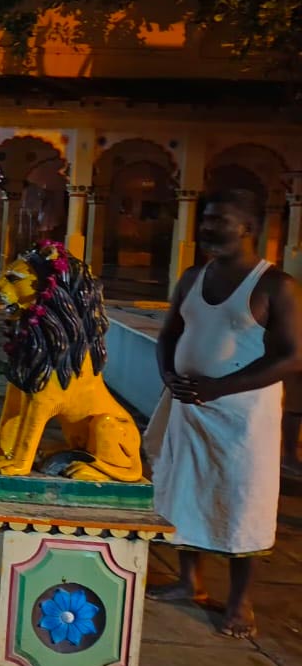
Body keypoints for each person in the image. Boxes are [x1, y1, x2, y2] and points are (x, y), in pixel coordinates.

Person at [145, 187, 302, 639]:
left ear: (248, 228)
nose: (207, 227)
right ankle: (188, 581)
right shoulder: (193, 277)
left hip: (243, 417)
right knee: (184, 489)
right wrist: (168, 374)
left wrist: (220, 388)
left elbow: (292, 356)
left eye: (219, 220)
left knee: (242, 499)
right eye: (206, 219)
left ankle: (239, 602)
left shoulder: (275, 285)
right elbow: (169, 334)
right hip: (189, 405)